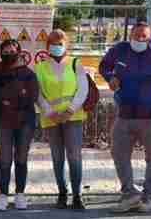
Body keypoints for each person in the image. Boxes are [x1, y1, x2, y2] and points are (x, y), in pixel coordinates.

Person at [99, 21, 151, 213]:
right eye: (136, 35)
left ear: (150, 39)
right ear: (130, 35)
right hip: (124, 116)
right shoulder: (120, 51)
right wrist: (110, 78)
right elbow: (103, 66)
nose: (139, 39)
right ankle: (129, 194)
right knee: (119, 154)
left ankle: (148, 196)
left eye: (144, 37)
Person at [35, 30, 88, 210]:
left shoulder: (75, 63)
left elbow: (83, 89)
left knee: (74, 156)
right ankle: (62, 193)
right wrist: (50, 112)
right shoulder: (40, 66)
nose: (56, 47)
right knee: (57, 157)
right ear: (47, 46)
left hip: (73, 117)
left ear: (66, 44)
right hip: (51, 119)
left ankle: (77, 195)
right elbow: (38, 94)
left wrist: (69, 110)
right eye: (52, 43)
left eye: (60, 43)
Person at [0, 39, 39, 211]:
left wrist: (9, 98)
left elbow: (31, 96)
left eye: (12, 51)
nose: (9, 54)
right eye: (6, 51)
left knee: (21, 158)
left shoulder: (29, 73)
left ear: (19, 51)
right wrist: (15, 93)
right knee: (5, 159)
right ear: (1, 53)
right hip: (3, 121)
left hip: (25, 121)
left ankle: (20, 194)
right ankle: (3, 195)